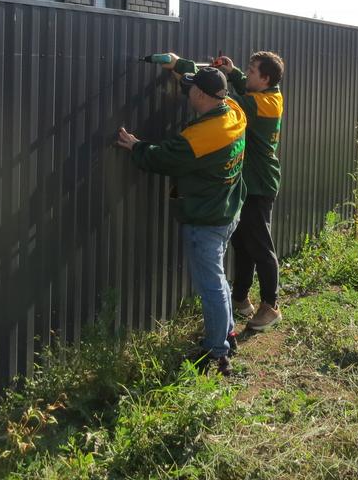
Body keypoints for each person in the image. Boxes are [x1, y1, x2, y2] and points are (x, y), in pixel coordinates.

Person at [116, 67, 247, 375]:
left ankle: (216, 350)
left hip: (206, 219)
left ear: (200, 94)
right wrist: (180, 66)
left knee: (211, 286)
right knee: (218, 279)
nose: (186, 92)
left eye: (190, 89)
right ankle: (227, 332)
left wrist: (136, 146)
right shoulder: (234, 111)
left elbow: (165, 157)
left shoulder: (202, 137)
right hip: (228, 211)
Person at [194, 52, 286, 331]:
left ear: (265, 79)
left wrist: (193, 76)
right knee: (242, 244)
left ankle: (271, 306)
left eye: (252, 70)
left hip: (259, 185)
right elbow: (244, 84)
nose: (247, 73)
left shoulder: (263, 103)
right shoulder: (267, 94)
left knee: (261, 246)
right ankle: (241, 298)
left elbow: (227, 100)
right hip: (249, 183)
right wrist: (233, 72)